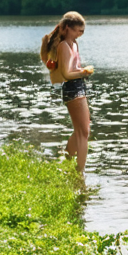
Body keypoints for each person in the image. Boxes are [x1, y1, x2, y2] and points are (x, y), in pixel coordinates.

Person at [41, 12, 94, 174]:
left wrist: (81, 70)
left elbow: (73, 68)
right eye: (78, 30)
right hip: (72, 88)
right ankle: (80, 173)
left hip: (79, 87)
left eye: (82, 31)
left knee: (82, 130)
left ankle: (67, 159)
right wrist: (83, 73)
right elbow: (66, 74)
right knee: (83, 133)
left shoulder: (74, 44)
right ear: (67, 29)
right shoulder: (63, 46)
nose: (80, 34)